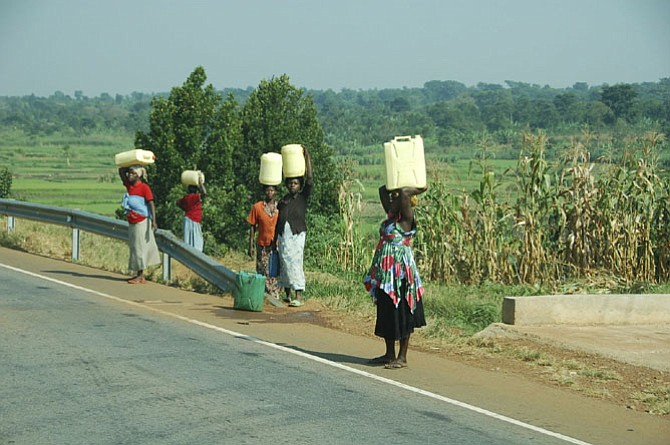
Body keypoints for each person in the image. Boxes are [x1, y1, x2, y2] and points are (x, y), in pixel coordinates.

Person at [363, 184, 427, 369]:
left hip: (400, 274)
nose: (391, 200)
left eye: (396, 198)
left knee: (403, 312)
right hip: (385, 275)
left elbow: (406, 193)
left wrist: (418, 188)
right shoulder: (390, 216)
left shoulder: (406, 220)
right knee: (386, 311)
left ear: (404, 202)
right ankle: (389, 353)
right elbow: (382, 190)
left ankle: (402, 357)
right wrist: (394, 183)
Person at [276, 145, 313, 307]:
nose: (293, 185)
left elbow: (310, 180)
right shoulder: (284, 200)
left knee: (295, 261)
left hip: (297, 234)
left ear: (300, 185)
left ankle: (299, 294)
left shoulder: (302, 197)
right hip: (284, 235)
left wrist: (307, 157)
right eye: (291, 183)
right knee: (284, 261)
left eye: (296, 183)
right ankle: (287, 294)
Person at [118, 165, 161, 284]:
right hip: (132, 220)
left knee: (140, 247)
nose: (129, 175)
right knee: (134, 247)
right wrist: (128, 167)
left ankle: (140, 275)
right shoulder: (130, 186)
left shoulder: (144, 188)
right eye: (129, 173)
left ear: (138, 175)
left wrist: (154, 220)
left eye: (132, 173)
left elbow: (151, 203)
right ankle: (139, 274)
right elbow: (121, 171)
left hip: (142, 221)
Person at [247, 184, 280, 301]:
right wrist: (250, 245)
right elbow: (252, 226)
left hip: (276, 245)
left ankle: (274, 294)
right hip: (262, 243)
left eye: (272, 190)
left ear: (275, 192)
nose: (269, 192)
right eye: (267, 190)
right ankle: (264, 294)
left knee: (274, 269)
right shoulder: (258, 207)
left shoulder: (279, 207)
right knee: (262, 269)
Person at [176, 177, 206, 252]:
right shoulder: (194, 197)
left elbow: (178, 203)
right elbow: (204, 193)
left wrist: (185, 209)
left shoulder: (186, 198)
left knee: (188, 241)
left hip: (188, 219)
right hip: (194, 220)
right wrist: (201, 183)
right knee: (197, 242)